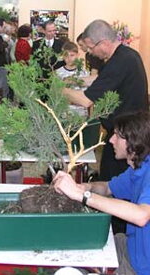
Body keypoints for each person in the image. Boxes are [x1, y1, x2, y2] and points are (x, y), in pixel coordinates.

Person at [54, 111, 150, 275]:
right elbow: (107, 188)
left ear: (134, 141)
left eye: (118, 136)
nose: (111, 140)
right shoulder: (138, 167)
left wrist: (82, 196)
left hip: (141, 267)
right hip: (130, 246)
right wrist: (85, 187)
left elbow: (141, 216)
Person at [63, 19, 149, 182]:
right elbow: (100, 80)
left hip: (128, 137)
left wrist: (58, 89)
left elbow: (85, 100)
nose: (90, 52)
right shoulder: (127, 55)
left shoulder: (120, 61)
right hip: (127, 131)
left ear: (103, 43)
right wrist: (72, 81)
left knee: (113, 181)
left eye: (90, 47)